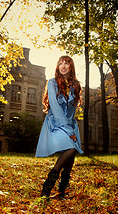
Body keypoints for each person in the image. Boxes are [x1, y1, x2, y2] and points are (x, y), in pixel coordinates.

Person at [36, 55, 83, 199]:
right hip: (55, 123)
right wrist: (69, 131)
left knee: (71, 153)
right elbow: (55, 108)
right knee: (70, 149)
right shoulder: (52, 83)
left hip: (69, 123)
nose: (63, 66)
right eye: (60, 63)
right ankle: (47, 186)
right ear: (57, 66)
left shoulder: (76, 85)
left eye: (66, 64)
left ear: (71, 67)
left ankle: (61, 191)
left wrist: (72, 128)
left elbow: (72, 109)